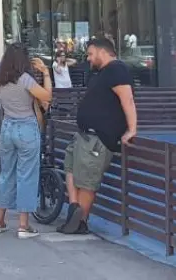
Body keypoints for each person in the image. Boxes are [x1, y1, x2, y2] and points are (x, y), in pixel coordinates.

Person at [58, 37, 137, 235]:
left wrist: (132, 129)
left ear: (103, 52)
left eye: (91, 54)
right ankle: (74, 209)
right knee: (70, 168)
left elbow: (127, 99)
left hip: (97, 138)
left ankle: (80, 222)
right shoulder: (102, 73)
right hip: (85, 134)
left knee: (87, 182)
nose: (88, 58)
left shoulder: (117, 70)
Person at [0, 45, 53, 238]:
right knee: (26, 175)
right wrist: (46, 73)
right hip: (26, 128)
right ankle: (23, 225)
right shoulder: (25, 79)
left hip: (7, 127)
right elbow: (47, 96)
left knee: (6, 174)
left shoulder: (0, 80)